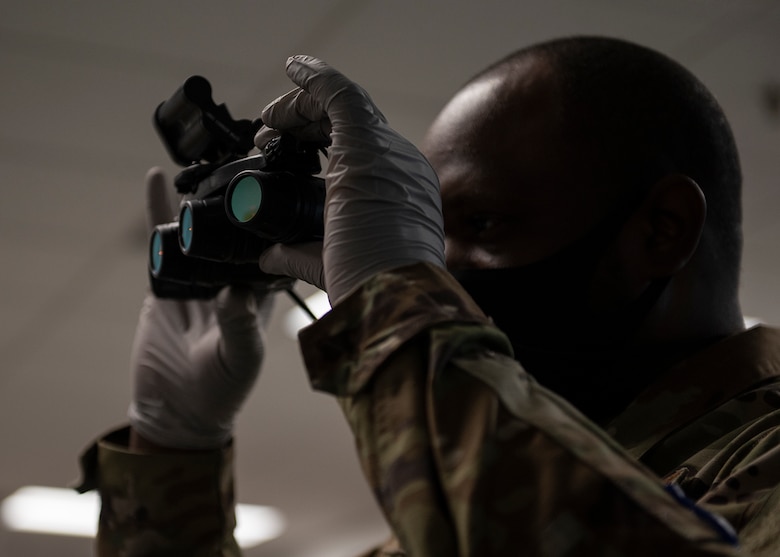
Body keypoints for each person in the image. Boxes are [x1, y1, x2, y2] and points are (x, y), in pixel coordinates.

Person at [76, 36, 780, 556]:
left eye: (483, 225)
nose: (441, 269)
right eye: (430, 233)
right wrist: (172, 450)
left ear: (661, 230)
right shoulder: (443, 520)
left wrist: (393, 304)